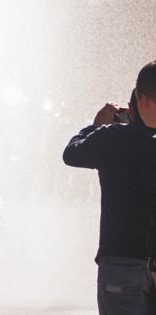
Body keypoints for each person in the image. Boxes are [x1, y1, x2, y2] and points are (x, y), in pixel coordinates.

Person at [63, 61, 156, 315]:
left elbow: (71, 154)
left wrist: (96, 126)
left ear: (140, 99)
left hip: (121, 264)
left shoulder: (112, 138)